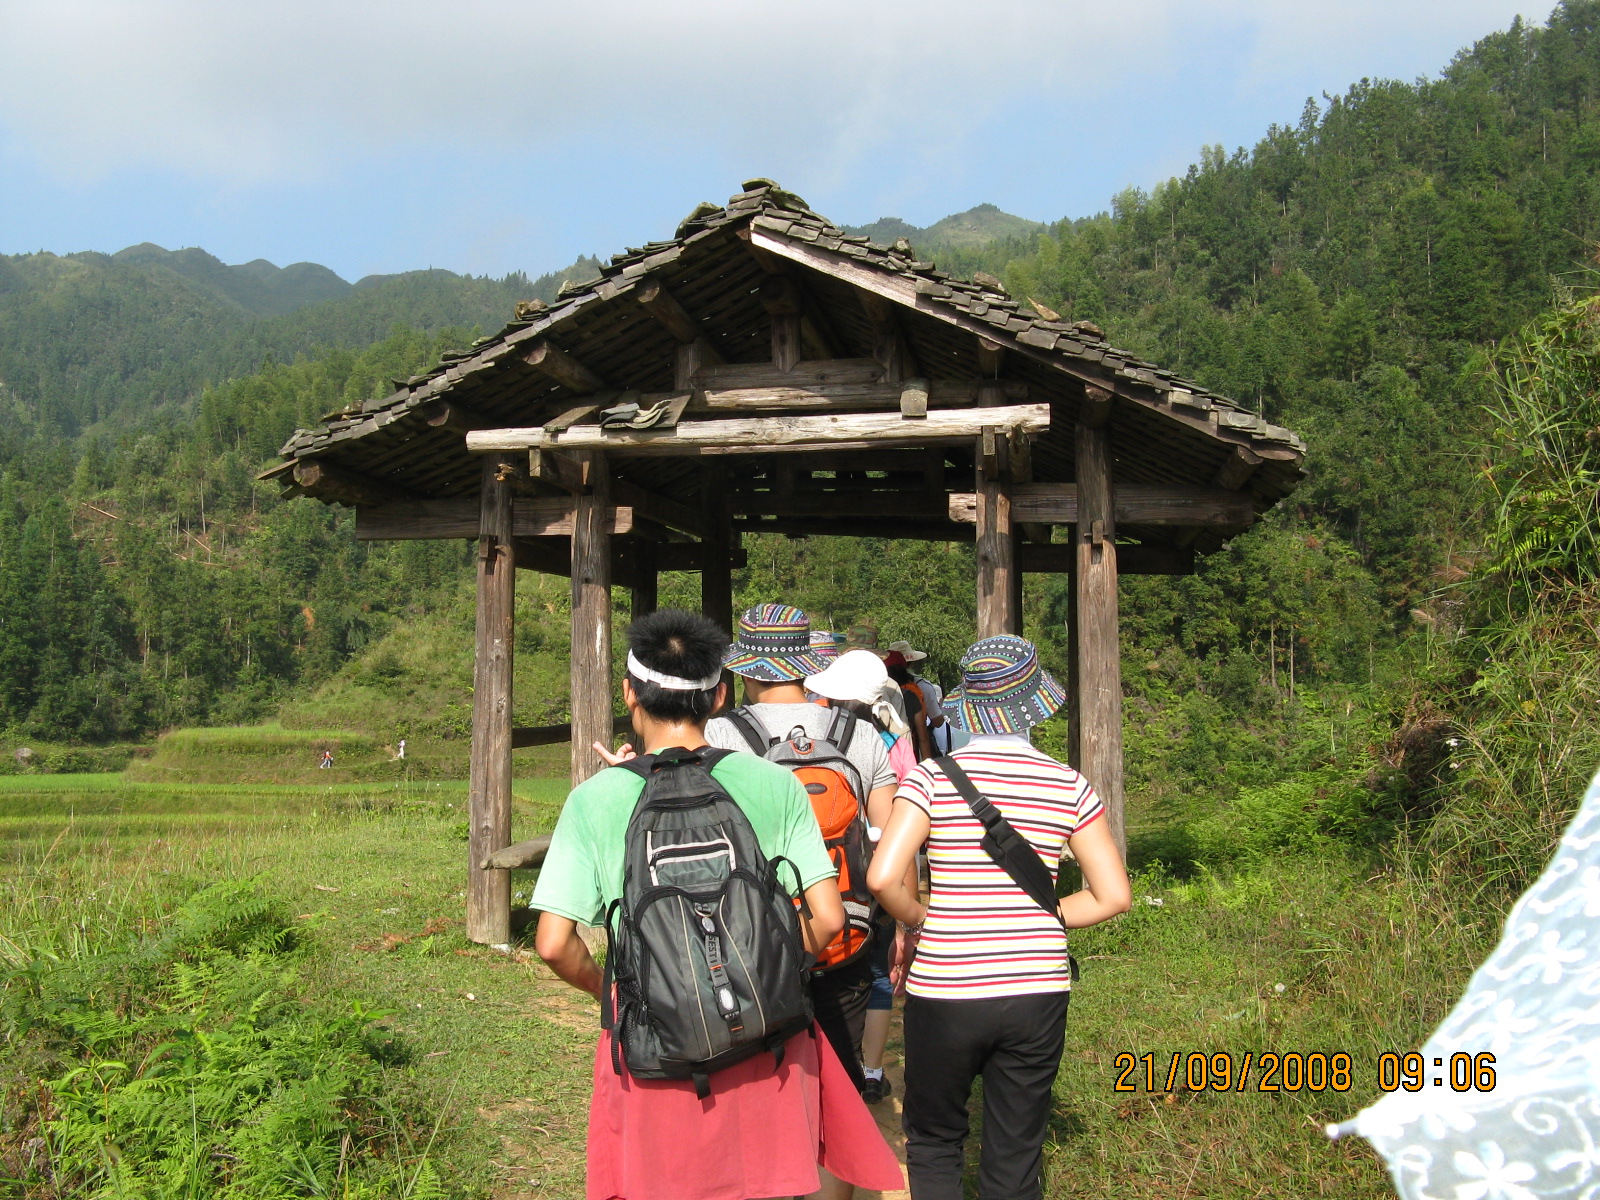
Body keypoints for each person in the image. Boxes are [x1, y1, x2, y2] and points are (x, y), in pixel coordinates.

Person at [532, 609, 902, 1200]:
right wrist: (767, 967)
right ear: (719, 694)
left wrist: (625, 989)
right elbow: (829, 919)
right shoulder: (772, 783)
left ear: (629, 692)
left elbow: (553, 943)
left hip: (658, 1055)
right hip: (768, 1044)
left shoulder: (594, 800)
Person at [867, 635, 1132, 1200]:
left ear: (969, 706)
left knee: (936, 1140)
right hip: (1037, 986)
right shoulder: (1069, 784)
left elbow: (883, 877)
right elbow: (1111, 896)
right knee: (1015, 1154)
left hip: (947, 985)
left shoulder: (931, 779)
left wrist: (920, 919)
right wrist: (1042, 913)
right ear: (1036, 704)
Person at [704, 606, 903, 1101]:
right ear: (807, 662)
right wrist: (900, 926)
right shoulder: (859, 735)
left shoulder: (722, 736)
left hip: (754, 941)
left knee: (763, 1085)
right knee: (836, 1089)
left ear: (745, 667)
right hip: (847, 936)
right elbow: (888, 838)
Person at [804, 649, 917, 1106]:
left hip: (809, 877)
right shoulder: (890, 739)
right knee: (877, 975)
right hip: (872, 880)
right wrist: (908, 913)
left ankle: (810, 1070)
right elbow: (898, 826)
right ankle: (869, 1071)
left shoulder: (809, 731)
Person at [887, 640, 951, 755]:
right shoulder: (921, 688)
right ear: (911, 663)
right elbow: (937, 722)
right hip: (912, 749)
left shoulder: (876, 687)